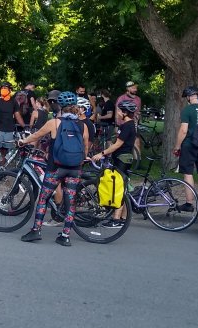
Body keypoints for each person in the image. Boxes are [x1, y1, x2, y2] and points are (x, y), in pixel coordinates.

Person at [18, 91, 88, 247]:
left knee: (43, 199)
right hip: (75, 169)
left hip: (56, 168)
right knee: (70, 201)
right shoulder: (83, 125)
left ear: (60, 106)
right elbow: (85, 149)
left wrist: (23, 141)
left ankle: (36, 231)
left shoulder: (55, 122)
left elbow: (36, 135)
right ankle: (65, 236)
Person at [91, 97, 138, 226]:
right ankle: (123, 218)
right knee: (123, 188)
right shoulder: (129, 125)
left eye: (120, 111)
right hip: (125, 157)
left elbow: (117, 145)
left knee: (118, 188)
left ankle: (116, 219)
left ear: (125, 112)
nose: (118, 113)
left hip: (122, 158)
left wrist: (101, 154)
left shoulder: (127, 126)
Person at [0, 82, 22, 162]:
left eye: (5, 88)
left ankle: (2, 166)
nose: (3, 89)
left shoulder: (13, 101)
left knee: (6, 149)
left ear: (10, 90)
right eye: (2, 88)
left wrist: (24, 125)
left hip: (9, 129)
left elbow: (17, 115)